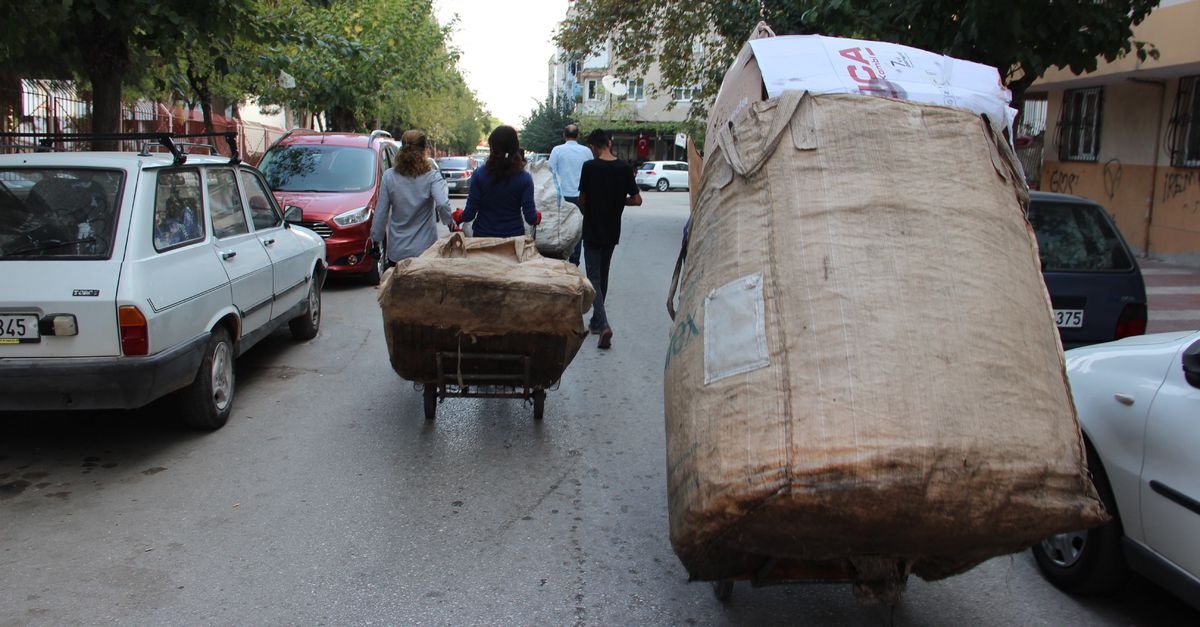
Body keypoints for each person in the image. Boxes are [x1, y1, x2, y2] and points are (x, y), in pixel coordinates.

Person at [577, 128, 642, 349]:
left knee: (593, 276)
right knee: (602, 275)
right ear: (610, 144)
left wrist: (592, 204)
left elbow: (582, 199)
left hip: (593, 229)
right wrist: (618, 201)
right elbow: (637, 200)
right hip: (612, 230)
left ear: (594, 147)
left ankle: (603, 324)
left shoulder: (590, 167)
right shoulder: (624, 168)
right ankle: (596, 321)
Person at [369, 129, 455, 267]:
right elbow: (443, 204)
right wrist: (450, 223)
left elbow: (380, 213)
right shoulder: (432, 177)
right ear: (424, 150)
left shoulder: (389, 177)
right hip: (426, 252)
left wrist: (375, 240)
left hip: (398, 252)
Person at [456, 126, 538, 237]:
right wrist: (537, 216)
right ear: (516, 148)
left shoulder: (479, 175)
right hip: (513, 241)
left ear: (492, 148)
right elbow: (531, 218)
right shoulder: (525, 179)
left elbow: (469, 215)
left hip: (483, 240)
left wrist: (459, 216)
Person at [547, 123, 592, 265]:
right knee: (577, 230)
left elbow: (550, 172)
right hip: (581, 198)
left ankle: (559, 259)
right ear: (578, 136)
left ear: (564, 135)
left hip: (562, 198)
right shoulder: (586, 151)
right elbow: (592, 173)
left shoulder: (557, 150)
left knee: (560, 228)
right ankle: (574, 261)